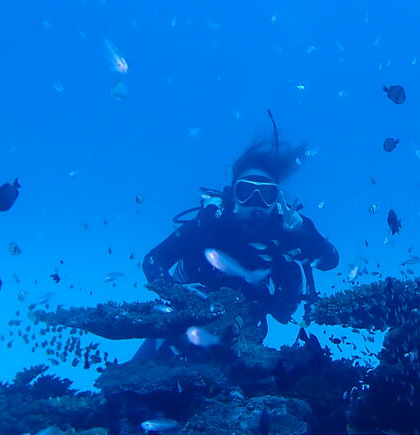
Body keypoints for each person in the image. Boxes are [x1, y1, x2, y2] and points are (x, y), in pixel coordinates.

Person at [142, 136, 339, 340]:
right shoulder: (209, 224)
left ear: (277, 199)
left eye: (267, 194)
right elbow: (153, 261)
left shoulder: (286, 228)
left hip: (245, 331)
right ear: (233, 195)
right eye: (245, 191)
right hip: (183, 324)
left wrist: (303, 231)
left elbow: (330, 261)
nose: (256, 201)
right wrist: (179, 295)